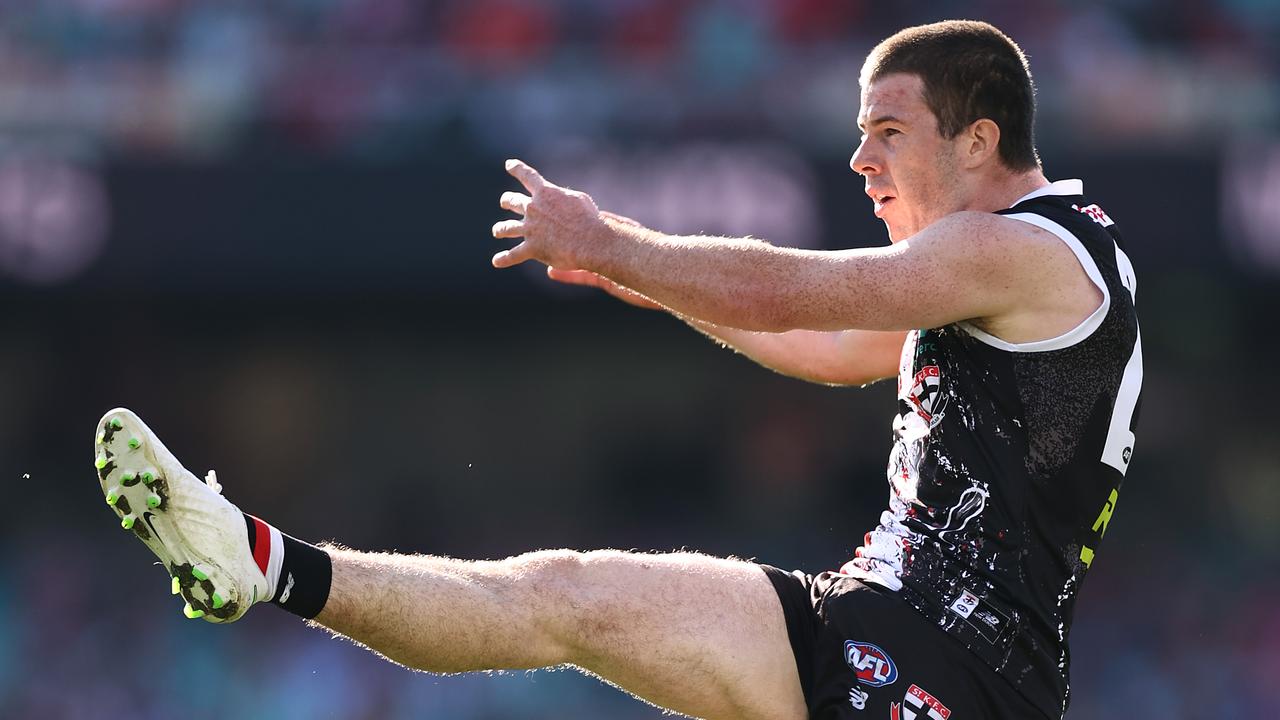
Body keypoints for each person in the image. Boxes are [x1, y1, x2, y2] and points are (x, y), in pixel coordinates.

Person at [94, 20, 1141, 720]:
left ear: (978, 140)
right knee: (562, 596)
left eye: (887, 132)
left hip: (955, 681)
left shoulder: (1016, 246)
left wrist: (613, 243)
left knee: (561, 602)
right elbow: (829, 349)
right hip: (870, 618)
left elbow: (799, 292)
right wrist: (663, 286)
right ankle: (261, 564)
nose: (861, 160)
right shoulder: (991, 274)